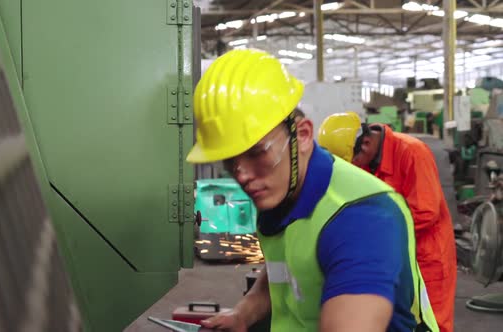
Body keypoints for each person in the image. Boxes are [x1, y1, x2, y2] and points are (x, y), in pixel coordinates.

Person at [186, 49, 438, 331]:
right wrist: (243, 315)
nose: (241, 175)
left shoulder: (361, 218)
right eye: (230, 161)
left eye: (257, 152)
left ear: (303, 136)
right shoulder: (283, 195)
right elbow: (285, 271)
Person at [318, 112, 457, 332]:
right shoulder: (364, 160)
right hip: (389, 256)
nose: (352, 168)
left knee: (432, 323)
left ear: (365, 144)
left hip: (426, 258)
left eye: (352, 162)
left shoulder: (412, 152)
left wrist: (375, 233)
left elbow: (425, 211)